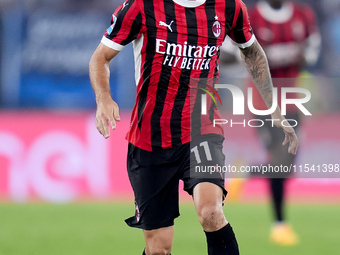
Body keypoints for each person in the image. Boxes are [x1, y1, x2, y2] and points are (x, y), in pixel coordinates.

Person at [89, 0, 298, 254]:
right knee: (159, 248)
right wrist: (103, 98)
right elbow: (100, 57)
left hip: (202, 130)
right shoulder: (141, 6)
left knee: (210, 212)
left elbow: (252, 52)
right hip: (150, 138)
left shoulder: (229, 6)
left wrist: (273, 108)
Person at [243, 0, 319, 247]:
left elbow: (312, 52)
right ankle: (279, 225)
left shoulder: (302, 16)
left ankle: (245, 171)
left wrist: (303, 55)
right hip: (263, 103)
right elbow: (237, 55)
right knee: (279, 161)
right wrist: (269, 58)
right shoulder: (251, 17)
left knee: (287, 162)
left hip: (293, 101)